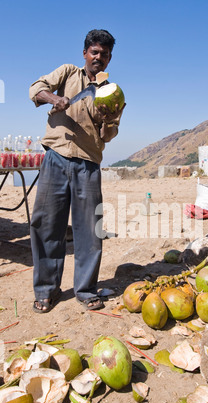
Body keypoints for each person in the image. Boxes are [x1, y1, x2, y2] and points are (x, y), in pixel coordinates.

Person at [29, 29, 125, 313]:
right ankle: (46, 290)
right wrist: (53, 99)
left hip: (88, 164)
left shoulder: (114, 92)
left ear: (109, 59)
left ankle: (85, 289)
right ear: (85, 53)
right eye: (95, 52)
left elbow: (109, 135)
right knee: (46, 225)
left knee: (89, 232)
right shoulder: (69, 73)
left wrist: (108, 121)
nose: (99, 58)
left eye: (105, 54)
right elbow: (36, 87)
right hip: (56, 157)